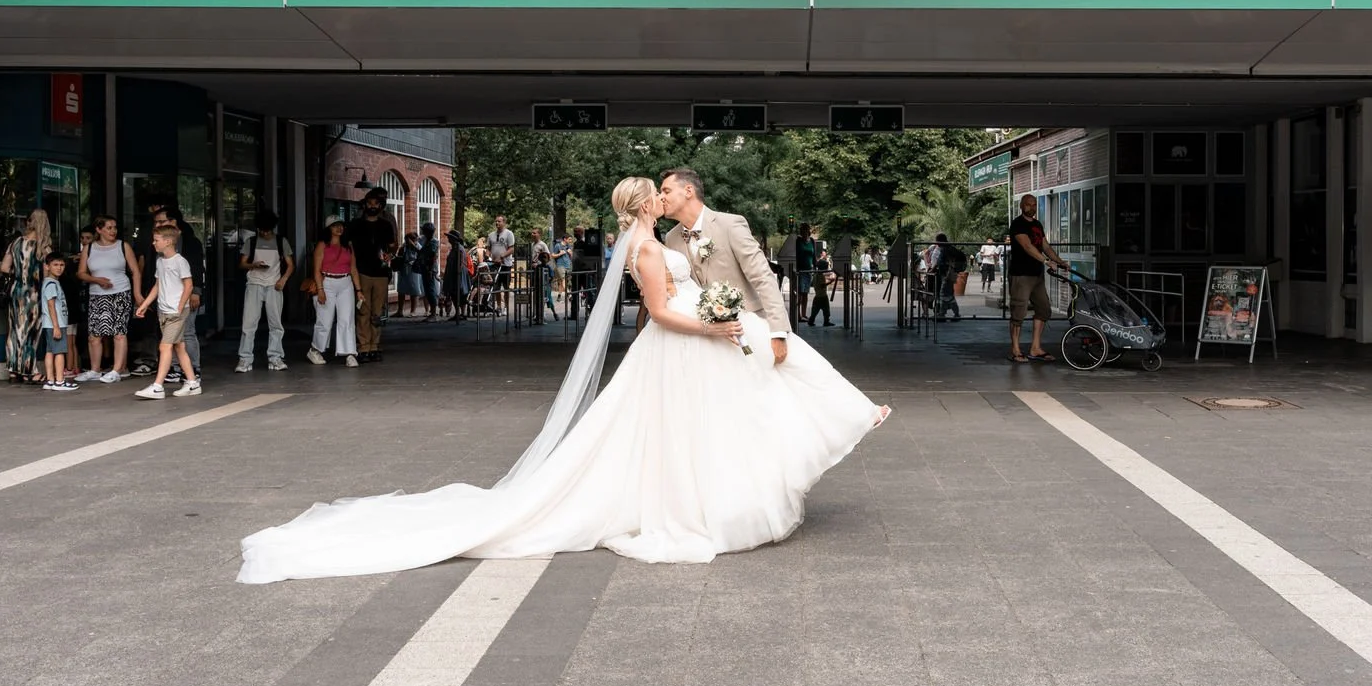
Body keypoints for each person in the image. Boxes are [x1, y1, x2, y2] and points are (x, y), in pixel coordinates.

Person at [238, 174, 890, 583]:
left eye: (669, 191)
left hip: (694, 346)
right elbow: (661, 311)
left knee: (737, 396)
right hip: (682, 345)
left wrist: (730, 321)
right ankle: (780, 458)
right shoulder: (642, 247)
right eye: (658, 193)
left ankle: (843, 416)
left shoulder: (659, 240)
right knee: (693, 423)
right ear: (647, 206)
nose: (666, 198)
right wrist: (714, 326)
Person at [133, 225, 200, 399]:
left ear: (168, 241)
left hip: (175, 312)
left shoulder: (180, 261)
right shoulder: (160, 261)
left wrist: (179, 308)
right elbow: (158, 285)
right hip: (164, 311)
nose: (154, 243)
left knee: (164, 346)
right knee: (179, 347)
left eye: (156, 240)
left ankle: (157, 386)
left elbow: (189, 285)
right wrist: (145, 304)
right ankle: (192, 383)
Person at [77, 214, 140, 383]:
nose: (113, 231)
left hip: (120, 292)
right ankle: (95, 370)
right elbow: (81, 272)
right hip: (97, 294)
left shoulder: (123, 246)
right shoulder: (89, 248)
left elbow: (135, 271)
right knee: (94, 335)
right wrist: (96, 280)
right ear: (99, 229)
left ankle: (117, 369)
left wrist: (137, 294)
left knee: (119, 333)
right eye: (109, 228)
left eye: (115, 227)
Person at [1008, 193, 1070, 363]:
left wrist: (1059, 261)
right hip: (1021, 274)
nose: (1032, 208)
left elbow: (1045, 245)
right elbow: (1027, 246)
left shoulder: (1037, 224)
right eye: (1028, 204)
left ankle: (1035, 348)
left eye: (1034, 205)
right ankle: (1015, 350)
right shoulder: (1017, 224)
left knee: (1044, 309)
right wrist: (1046, 261)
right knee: (1018, 313)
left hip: (1036, 275)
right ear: (1022, 206)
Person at [149, 202, 205, 382]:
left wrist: (195, 292)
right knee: (172, 338)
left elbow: (196, 270)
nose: (157, 225)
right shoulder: (157, 245)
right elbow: (158, 278)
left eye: (161, 221)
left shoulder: (190, 241)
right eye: (156, 223)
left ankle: (193, 369)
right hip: (166, 299)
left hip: (183, 299)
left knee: (186, 333)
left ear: (173, 222)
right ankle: (176, 370)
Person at [0, 210, 51, 384]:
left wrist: (19, 273)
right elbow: (47, 272)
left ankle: (14, 371)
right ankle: (31, 371)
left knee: (15, 331)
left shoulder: (15, 243)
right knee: (30, 332)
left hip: (16, 290)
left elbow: (4, 268)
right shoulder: (43, 247)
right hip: (33, 293)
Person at [237, 212, 294, 373]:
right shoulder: (251, 241)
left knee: (276, 323)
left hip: (274, 285)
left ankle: (275, 357)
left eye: (267, 230)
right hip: (254, 283)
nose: (265, 233)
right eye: (262, 230)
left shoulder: (281, 241)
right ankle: (245, 359)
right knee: (249, 323)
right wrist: (253, 265)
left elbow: (290, 265)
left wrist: (283, 280)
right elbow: (242, 264)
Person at [347, 188, 397, 363]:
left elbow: (393, 246)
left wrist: (390, 254)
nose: (373, 207)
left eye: (376, 204)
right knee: (362, 311)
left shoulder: (386, 225)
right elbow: (348, 248)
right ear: (364, 205)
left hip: (381, 273)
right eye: (369, 203)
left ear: (381, 206)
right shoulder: (355, 225)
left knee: (377, 312)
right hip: (361, 272)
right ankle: (363, 347)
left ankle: (375, 346)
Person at [307, 216, 359, 367]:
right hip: (327, 282)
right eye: (335, 226)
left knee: (347, 319)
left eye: (341, 225)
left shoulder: (348, 245)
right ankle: (315, 349)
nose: (339, 228)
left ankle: (349, 352)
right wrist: (320, 290)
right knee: (324, 319)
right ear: (328, 228)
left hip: (345, 282)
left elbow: (353, 269)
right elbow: (316, 270)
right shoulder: (322, 245)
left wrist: (358, 289)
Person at [39, 251, 78, 392]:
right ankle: (60, 381)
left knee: (50, 351)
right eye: (55, 265)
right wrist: (56, 326)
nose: (59, 268)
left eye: (61, 265)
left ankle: (50, 380)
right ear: (47, 266)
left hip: (50, 324)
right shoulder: (51, 284)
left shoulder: (51, 282)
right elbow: (51, 305)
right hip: (56, 324)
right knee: (60, 352)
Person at [933, 233, 965, 321]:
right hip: (948, 274)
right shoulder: (948, 248)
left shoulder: (946, 249)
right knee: (948, 294)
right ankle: (949, 314)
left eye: (937, 240)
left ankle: (944, 314)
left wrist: (944, 272)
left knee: (944, 294)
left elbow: (944, 262)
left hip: (947, 275)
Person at [530, 228, 558, 321]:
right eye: (532, 233)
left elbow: (548, 256)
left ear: (539, 234)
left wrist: (541, 263)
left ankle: (547, 313)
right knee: (536, 294)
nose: (532, 234)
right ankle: (537, 313)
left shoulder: (542, 245)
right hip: (535, 272)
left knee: (546, 297)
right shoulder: (532, 245)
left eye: (534, 233)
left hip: (542, 275)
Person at [415, 223, 441, 320]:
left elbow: (433, 256)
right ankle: (432, 312)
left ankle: (433, 313)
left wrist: (430, 269)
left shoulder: (433, 242)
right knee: (428, 290)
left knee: (430, 290)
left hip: (429, 269)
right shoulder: (426, 241)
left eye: (424, 230)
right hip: (425, 268)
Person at [792, 222, 816, 322]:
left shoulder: (812, 241)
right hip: (800, 270)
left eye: (805, 230)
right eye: (802, 230)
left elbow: (813, 255)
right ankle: (798, 315)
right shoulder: (798, 241)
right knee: (800, 293)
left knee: (805, 293)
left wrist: (815, 265)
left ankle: (804, 314)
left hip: (808, 270)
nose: (803, 232)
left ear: (808, 231)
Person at [807, 249, 835, 327]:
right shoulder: (821, 276)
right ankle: (826, 321)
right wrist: (830, 282)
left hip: (817, 295)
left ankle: (811, 320)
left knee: (815, 310)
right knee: (826, 310)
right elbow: (822, 285)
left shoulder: (816, 275)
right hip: (822, 295)